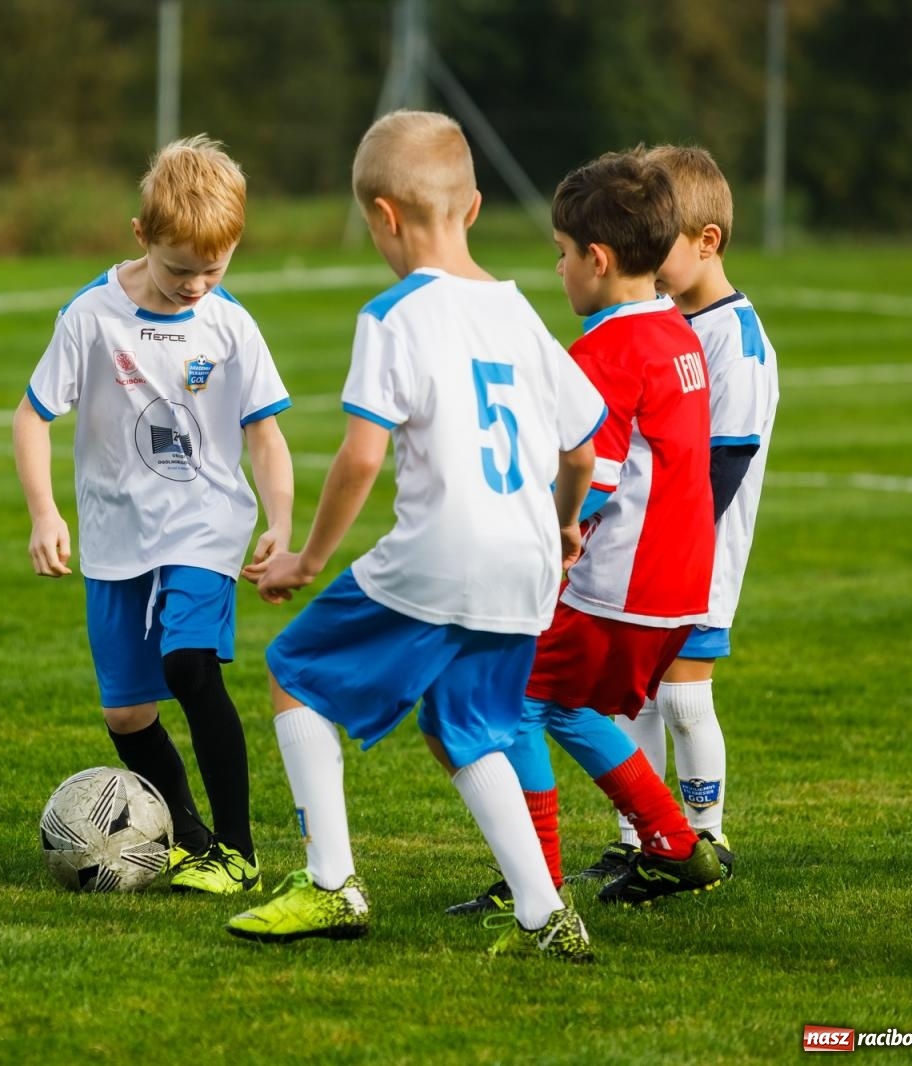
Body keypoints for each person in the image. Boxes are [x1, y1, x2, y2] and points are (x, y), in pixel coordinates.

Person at [223, 110, 604, 962]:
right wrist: (562, 521)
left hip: (443, 552)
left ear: (383, 217)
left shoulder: (395, 315)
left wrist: (307, 559)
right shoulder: (519, 315)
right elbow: (580, 448)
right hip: (525, 562)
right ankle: (547, 916)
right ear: (471, 210)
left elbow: (361, 455)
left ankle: (331, 886)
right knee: (465, 727)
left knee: (294, 674)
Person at [13, 135, 294, 895]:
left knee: (188, 663)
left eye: (215, 267)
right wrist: (44, 514)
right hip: (114, 533)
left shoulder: (229, 325)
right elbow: (32, 416)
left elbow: (265, 435)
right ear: (142, 236)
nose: (198, 284)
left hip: (205, 521)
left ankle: (237, 850)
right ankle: (186, 837)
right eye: (180, 269)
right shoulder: (91, 315)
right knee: (129, 712)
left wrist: (280, 519)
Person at [447, 149, 724, 914]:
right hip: (678, 588)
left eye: (563, 255)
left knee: (515, 702)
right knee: (571, 706)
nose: (559, 269)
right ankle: (674, 844)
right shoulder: (677, 333)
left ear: (597, 260)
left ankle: (532, 880)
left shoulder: (603, 353)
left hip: (617, 585)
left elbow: (595, 476)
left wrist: (549, 533)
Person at [576, 145, 780, 884]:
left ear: (706, 241)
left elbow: (725, 462)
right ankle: (639, 837)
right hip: (643, 558)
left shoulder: (739, 341)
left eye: (661, 247)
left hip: (696, 557)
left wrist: (673, 536)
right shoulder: (663, 321)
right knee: (630, 701)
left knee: (687, 697)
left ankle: (706, 833)